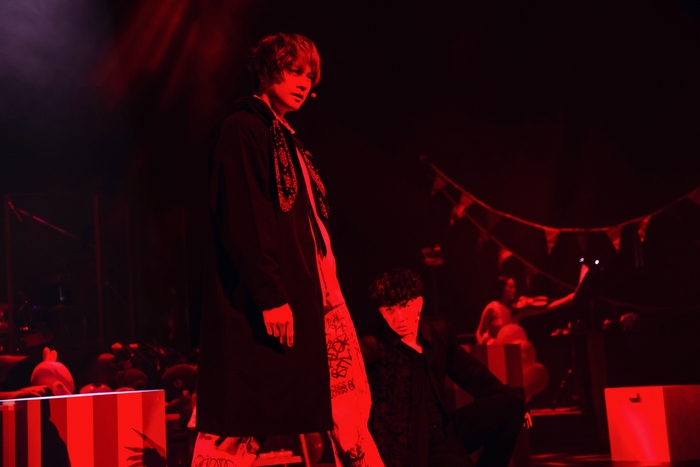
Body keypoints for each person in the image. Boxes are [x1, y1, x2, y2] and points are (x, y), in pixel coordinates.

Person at [195, 33, 382, 466]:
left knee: (344, 404)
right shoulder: (243, 129)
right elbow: (245, 217)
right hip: (276, 298)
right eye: (294, 71)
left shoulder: (286, 137)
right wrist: (271, 294)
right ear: (267, 71)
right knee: (245, 420)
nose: (304, 83)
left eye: (309, 75)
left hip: (317, 292)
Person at [362, 269, 525, 467]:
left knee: (511, 406)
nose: (400, 317)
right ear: (381, 312)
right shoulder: (374, 345)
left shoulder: (438, 330)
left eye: (405, 306)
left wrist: (511, 399)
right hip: (411, 442)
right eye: (390, 310)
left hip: (445, 428)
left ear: (418, 303)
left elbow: (470, 371)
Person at [475, 276, 574, 345]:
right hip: (494, 349)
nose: (514, 290)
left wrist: (566, 299)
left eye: (514, 287)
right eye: (511, 287)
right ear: (502, 289)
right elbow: (479, 331)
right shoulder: (492, 307)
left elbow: (545, 308)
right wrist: (482, 346)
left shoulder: (516, 310)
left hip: (510, 350)